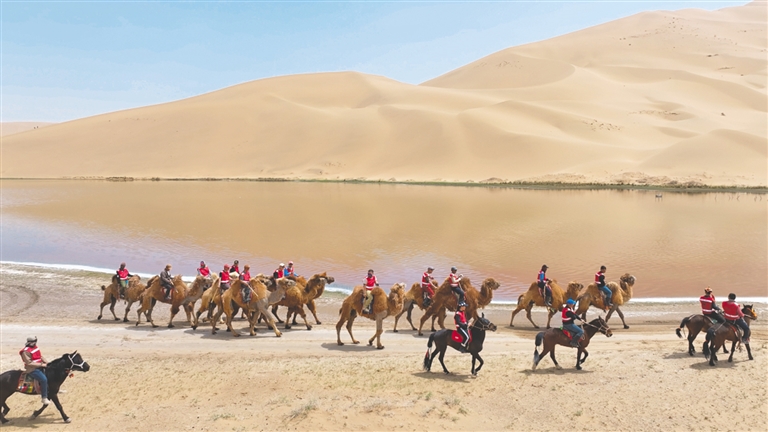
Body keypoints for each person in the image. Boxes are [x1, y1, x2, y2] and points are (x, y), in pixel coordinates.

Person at [19, 337, 49, 406]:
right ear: (29, 342)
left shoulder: (35, 347)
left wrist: (47, 363)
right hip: (32, 369)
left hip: (40, 365)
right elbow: (29, 363)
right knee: (43, 379)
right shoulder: (25, 352)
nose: (35, 343)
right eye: (33, 342)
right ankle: (44, 397)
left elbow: (40, 356)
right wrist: (42, 365)